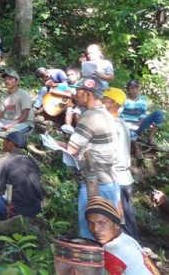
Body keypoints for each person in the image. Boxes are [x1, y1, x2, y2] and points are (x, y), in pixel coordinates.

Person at [56, 76, 120, 240]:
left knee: (91, 235)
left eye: (78, 91)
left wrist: (58, 146)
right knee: (109, 236)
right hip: (110, 181)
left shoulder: (90, 117)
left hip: (95, 184)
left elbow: (73, 149)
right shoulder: (106, 114)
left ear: (88, 93)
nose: (75, 94)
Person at [85, 197, 160, 274]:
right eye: (90, 223)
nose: (95, 229)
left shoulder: (112, 252)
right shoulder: (126, 239)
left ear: (116, 224)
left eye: (102, 223)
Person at [102, 87, 139, 240]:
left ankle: (135, 256)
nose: (102, 102)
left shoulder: (112, 123)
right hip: (124, 177)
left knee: (122, 222)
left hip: (116, 177)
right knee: (126, 221)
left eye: (105, 99)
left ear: (112, 104)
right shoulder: (121, 122)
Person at [0, 69, 34, 136]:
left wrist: (11, 125)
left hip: (23, 123)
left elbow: (25, 115)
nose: (7, 81)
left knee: (12, 132)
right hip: (6, 122)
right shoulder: (4, 96)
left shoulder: (23, 94)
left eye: (10, 79)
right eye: (5, 79)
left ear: (17, 82)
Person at [121, 79, 165, 147]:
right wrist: (128, 125)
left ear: (138, 88)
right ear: (128, 89)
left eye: (136, 87)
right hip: (126, 125)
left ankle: (150, 137)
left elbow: (143, 114)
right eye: (132, 88)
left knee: (159, 113)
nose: (134, 90)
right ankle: (136, 148)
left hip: (139, 123)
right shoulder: (123, 99)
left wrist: (138, 123)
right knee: (131, 134)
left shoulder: (143, 99)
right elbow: (119, 115)